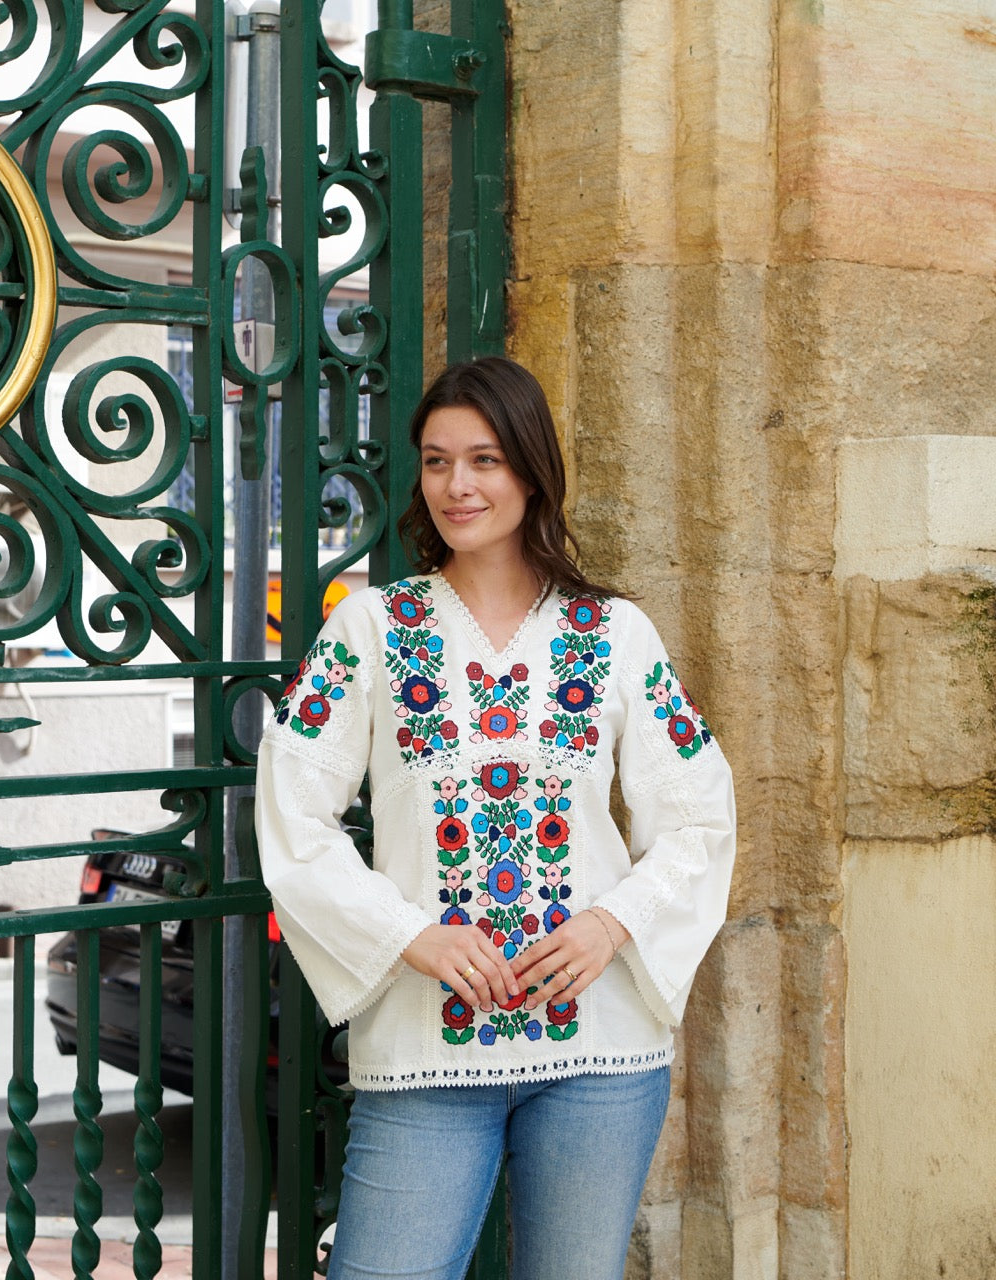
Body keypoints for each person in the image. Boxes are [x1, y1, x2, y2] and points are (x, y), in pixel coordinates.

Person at [255, 356, 736, 1280]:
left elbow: (699, 817)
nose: (457, 485)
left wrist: (611, 922)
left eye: (482, 459)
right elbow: (293, 813)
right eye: (436, 462)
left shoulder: (614, 633)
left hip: (599, 1048)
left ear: (529, 469)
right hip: (425, 1043)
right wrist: (411, 936)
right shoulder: (370, 627)